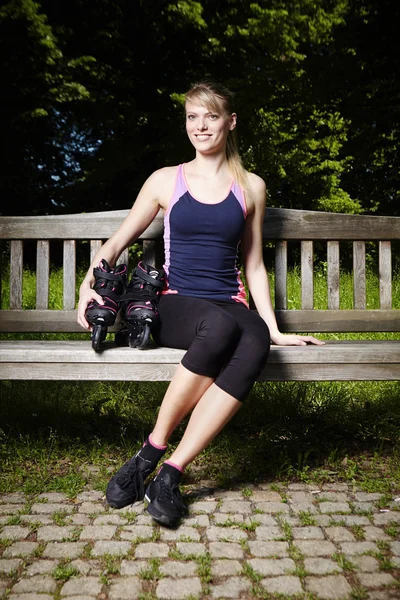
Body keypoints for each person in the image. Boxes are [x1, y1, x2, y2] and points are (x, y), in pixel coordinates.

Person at [77, 81, 323, 527]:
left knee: (252, 337)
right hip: (174, 305)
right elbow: (116, 242)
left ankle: (169, 473)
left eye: (210, 116)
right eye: (192, 116)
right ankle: (149, 451)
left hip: (226, 303)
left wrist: (273, 327)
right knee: (220, 326)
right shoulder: (165, 180)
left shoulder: (250, 187)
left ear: (230, 123)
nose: (200, 125)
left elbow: (253, 265)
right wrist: (86, 287)